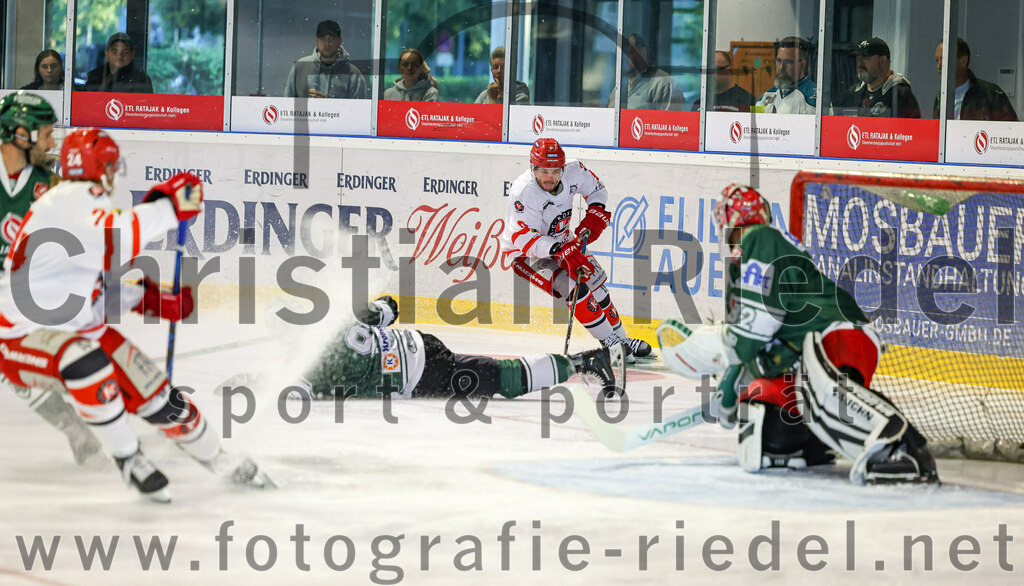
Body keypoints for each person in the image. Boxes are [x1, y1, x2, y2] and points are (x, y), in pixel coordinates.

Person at [0, 129, 272, 502]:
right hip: (18, 335)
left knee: (161, 398)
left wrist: (152, 301)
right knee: (84, 359)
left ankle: (218, 459)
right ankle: (129, 458)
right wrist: (168, 207)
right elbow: (119, 233)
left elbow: (93, 285)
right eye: (112, 166)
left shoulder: (78, 207)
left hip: (79, 329)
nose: (114, 174)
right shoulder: (68, 199)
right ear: (104, 167)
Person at [658, 184, 937, 485]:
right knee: (763, 416)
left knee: (825, 397)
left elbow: (754, 329)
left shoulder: (759, 238)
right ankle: (810, 447)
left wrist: (713, 349)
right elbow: (754, 340)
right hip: (803, 349)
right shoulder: (752, 257)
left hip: (833, 331)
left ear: (728, 217)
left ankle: (905, 451)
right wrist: (730, 386)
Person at [0, 91, 104, 466]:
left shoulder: (53, 185)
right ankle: (78, 429)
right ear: (21, 136)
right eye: (45, 133)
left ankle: (91, 422)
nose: (51, 142)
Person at [279, 295, 622, 400]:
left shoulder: (305, 368)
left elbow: (293, 396)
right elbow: (391, 306)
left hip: (421, 375)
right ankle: (582, 363)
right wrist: (374, 307)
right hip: (423, 346)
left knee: (500, 378)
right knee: (492, 375)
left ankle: (583, 364)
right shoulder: (338, 321)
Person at [500, 139, 653, 363]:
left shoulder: (574, 170)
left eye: (555, 171)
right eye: (543, 171)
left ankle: (622, 339)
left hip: (565, 243)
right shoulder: (523, 191)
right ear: (533, 168)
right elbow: (522, 238)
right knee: (574, 288)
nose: (549, 177)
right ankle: (610, 342)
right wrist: (559, 249)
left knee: (597, 285)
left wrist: (595, 213)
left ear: (563, 168)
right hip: (526, 254)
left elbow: (598, 190)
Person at [933, 38, 1018, 121]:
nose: (939, 66)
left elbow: (1011, 132)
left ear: (963, 61)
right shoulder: (940, 98)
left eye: (943, 60)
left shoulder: (991, 95)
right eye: (937, 60)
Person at [836, 37, 920, 118]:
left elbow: (909, 131)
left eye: (866, 58)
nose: (860, 63)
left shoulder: (900, 95)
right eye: (858, 58)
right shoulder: (852, 93)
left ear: (883, 61)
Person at [284, 19, 367, 99]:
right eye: (323, 39)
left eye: (332, 38)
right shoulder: (300, 67)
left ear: (340, 41)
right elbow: (287, 106)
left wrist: (327, 105)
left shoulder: (353, 75)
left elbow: (358, 111)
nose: (327, 44)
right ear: (317, 41)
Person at [620, 34, 686, 110]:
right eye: (620, 54)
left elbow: (671, 121)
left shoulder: (663, 84)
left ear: (643, 52)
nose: (623, 58)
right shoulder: (618, 87)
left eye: (628, 53)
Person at [755, 36, 816, 114]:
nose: (781, 68)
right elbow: (754, 124)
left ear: (802, 64)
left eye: (788, 62)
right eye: (779, 61)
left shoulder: (813, 99)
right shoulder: (766, 96)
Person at [82, 33, 153, 93]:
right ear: (107, 54)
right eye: (114, 52)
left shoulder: (142, 79)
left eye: (125, 52)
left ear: (132, 54)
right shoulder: (95, 76)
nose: (119, 56)